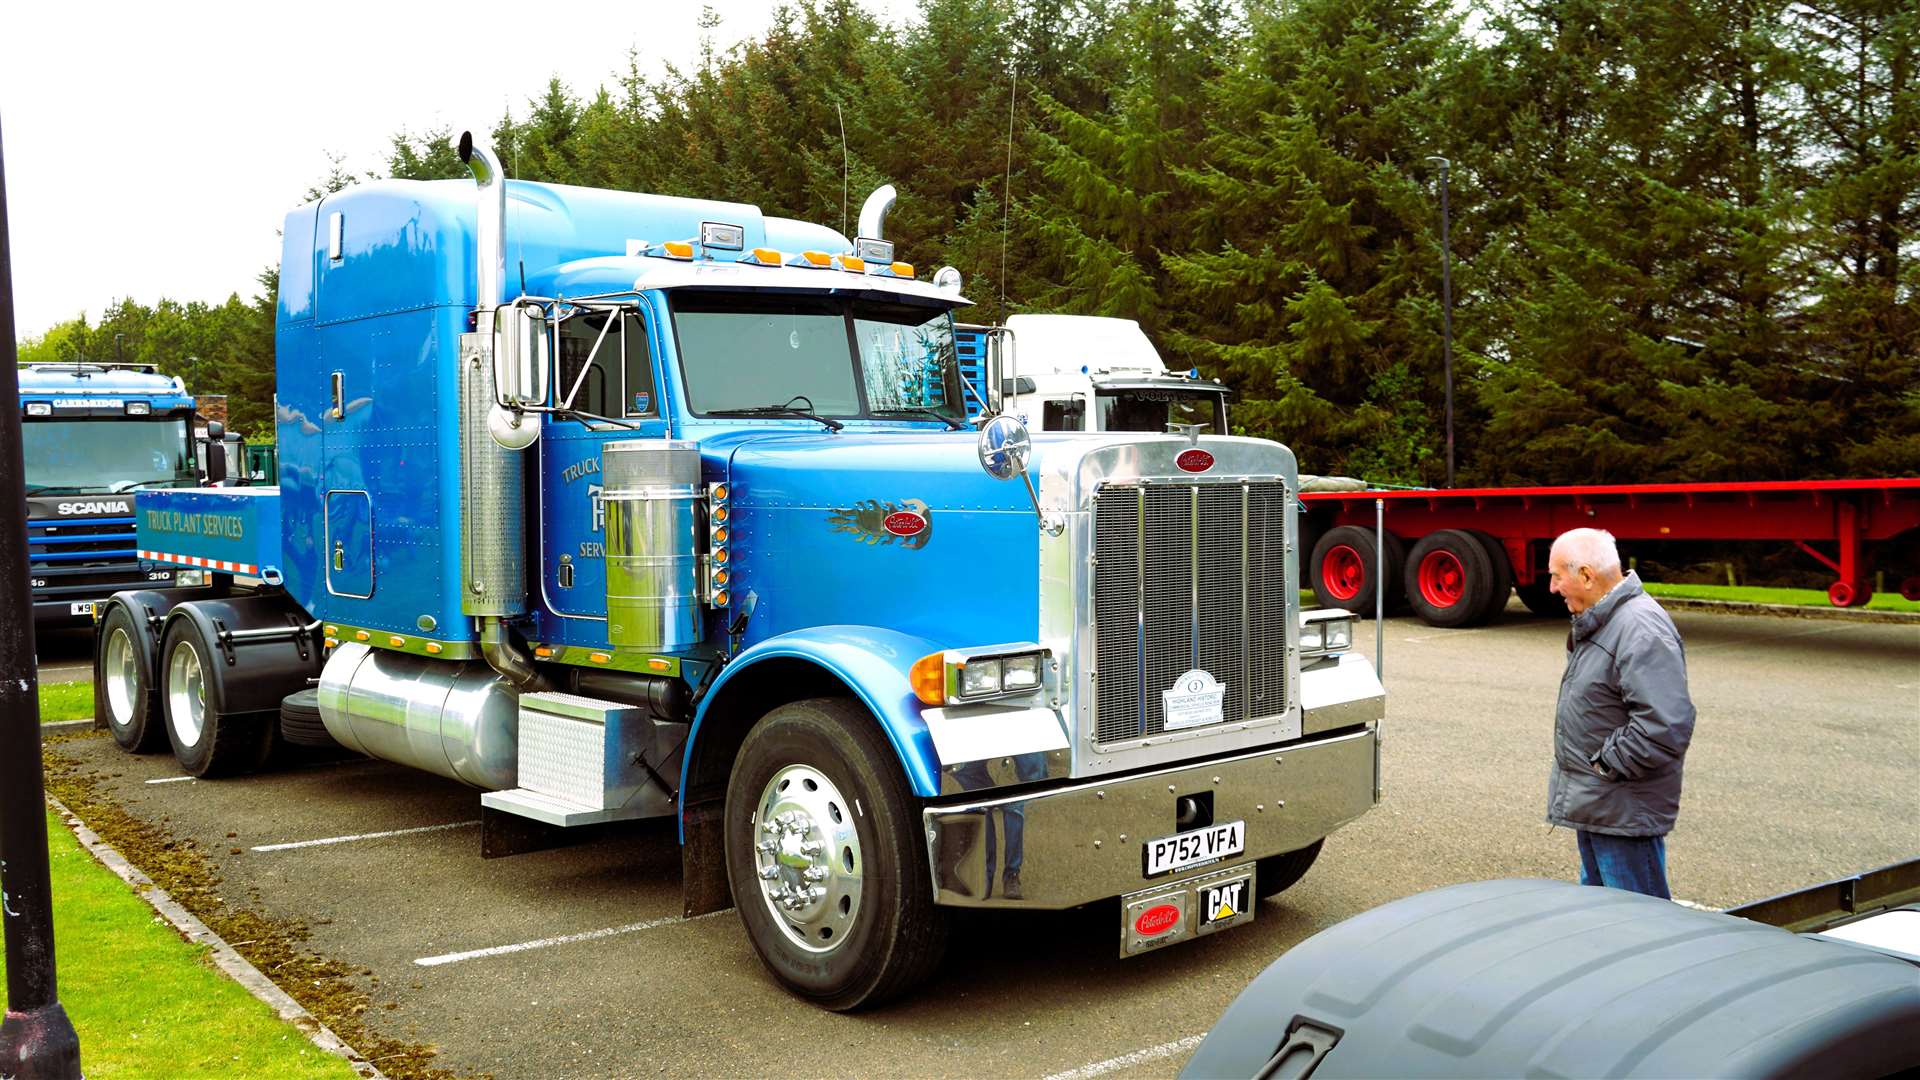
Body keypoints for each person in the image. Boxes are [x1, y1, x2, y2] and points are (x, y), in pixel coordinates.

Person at [1545, 527, 1696, 899]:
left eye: (1556, 575)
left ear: (1585, 575)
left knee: (1639, 928)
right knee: (1603, 923)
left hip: (1621, 809)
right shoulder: (1604, 620)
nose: (1552, 587)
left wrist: (1604, 767)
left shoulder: (1639, 627)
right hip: (1601, 804)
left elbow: (1665, 723)